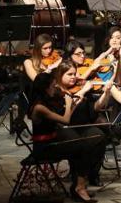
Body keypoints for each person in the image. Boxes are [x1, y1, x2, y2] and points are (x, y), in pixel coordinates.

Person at [28, 71, 103, 203]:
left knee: (82, 144)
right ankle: (79, 187)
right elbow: (65, 120)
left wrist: (74, 104)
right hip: (44, 147)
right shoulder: (39, 107)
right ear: (45, 88)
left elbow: (62, 118)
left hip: (52, 141)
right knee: (82, 147)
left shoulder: (44, 102)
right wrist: (68, 103)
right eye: (52, 86)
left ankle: (78, 186)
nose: (55, 88)